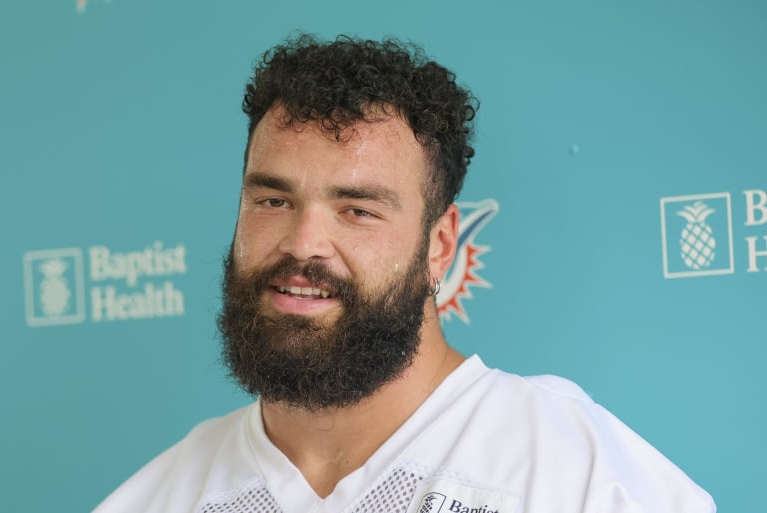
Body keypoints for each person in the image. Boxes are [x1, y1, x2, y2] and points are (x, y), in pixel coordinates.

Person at [93, 34, 716, 513]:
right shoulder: (155, 498)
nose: (304, 243)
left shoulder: (577, 477)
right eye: (273, 201)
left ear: (439, 245)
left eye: (357, 210)